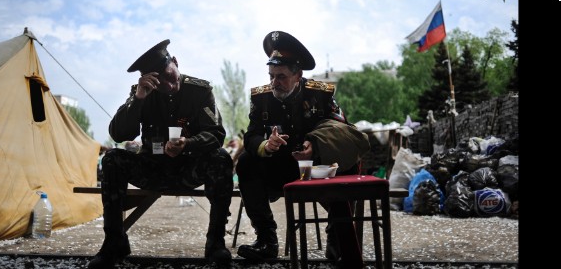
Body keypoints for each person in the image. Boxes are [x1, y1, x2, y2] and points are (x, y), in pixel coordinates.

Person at [88, 39, 234, 269]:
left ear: (175, 62)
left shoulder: (200, 91)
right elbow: (119, 134)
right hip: (153, 169)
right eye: (160, 81)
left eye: (169, 74)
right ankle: (114, 242)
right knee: (112, 159)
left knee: (221, 158)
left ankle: (215, 243)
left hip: (189, 169)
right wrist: (139, 99)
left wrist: (188, 143)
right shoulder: (142, 94)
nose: (167, 84)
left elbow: (216, 134)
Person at [235, 31, 368, 268]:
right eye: (271, 76)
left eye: (282, 77)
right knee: (246, 161)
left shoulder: (321, 94)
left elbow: (343, 130)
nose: (274, 83)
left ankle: (339, 238)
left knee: (347, 163)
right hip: (280, 167)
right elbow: (251, 135)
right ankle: (266, 240)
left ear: (298, 75)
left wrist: (315, 145)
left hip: (317, 167)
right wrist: (266, 145)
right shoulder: (262, 98)